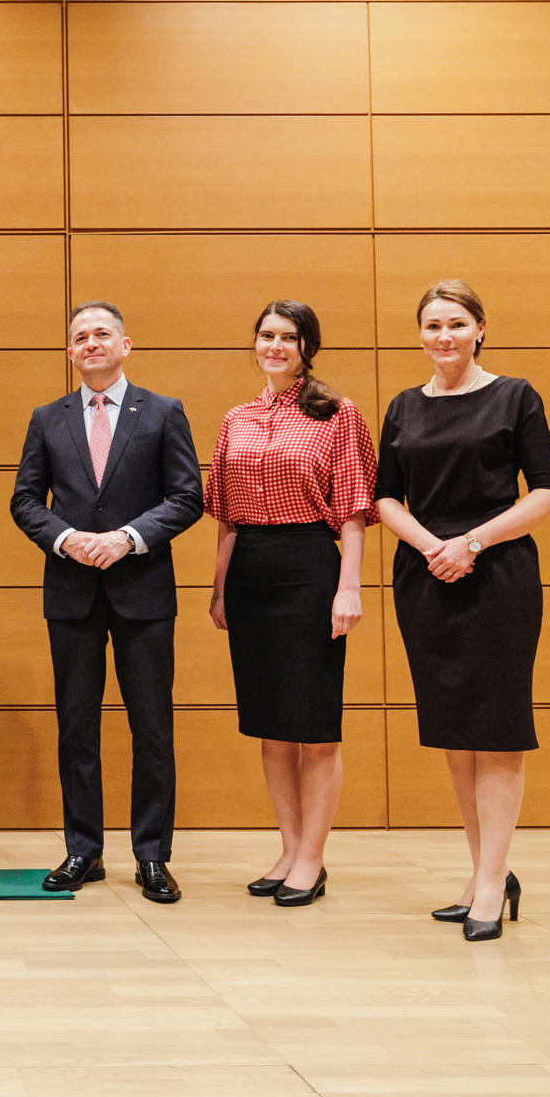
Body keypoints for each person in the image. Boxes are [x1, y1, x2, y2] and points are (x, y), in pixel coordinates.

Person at [375, 280, 550, 942]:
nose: (443, 336)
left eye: (456, 323)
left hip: (498, 571)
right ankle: (484, 870)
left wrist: (473, 541)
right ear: (420, 334)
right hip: (427, 573)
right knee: (455, 731)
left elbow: (546, 492)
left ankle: (492, 880)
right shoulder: (403, 406)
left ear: (481, 327)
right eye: (431, 325)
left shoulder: (515, 396)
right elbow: (385, 499)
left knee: (498, 728)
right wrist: (433, 546)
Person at [11, 301, 203, 902]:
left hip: (143, 593)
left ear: (126, 345)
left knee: (152, 729)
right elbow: (24, 500)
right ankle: (83, 851)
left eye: (101, 334)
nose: (90, 343)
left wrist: (127, 538)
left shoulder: (164, 412)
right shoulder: (48, 417)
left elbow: (188, 496)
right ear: (70, 352)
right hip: (71, 593)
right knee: (77, 727)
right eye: (79, 337)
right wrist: (66, 539)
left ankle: (152, 855)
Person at [206, 301, 376, 908]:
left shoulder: (337, 413)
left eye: (288, 337)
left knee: (312, 722)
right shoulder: (236, 418)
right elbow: (224, 516)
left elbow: (355, 509)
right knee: (271, 723)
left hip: (309, 566)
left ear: (308, 346)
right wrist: (219, 588)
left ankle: (313, 856)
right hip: (249, 568)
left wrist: (348, 588)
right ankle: (288, 846)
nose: (275, 345)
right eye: (266, 335)